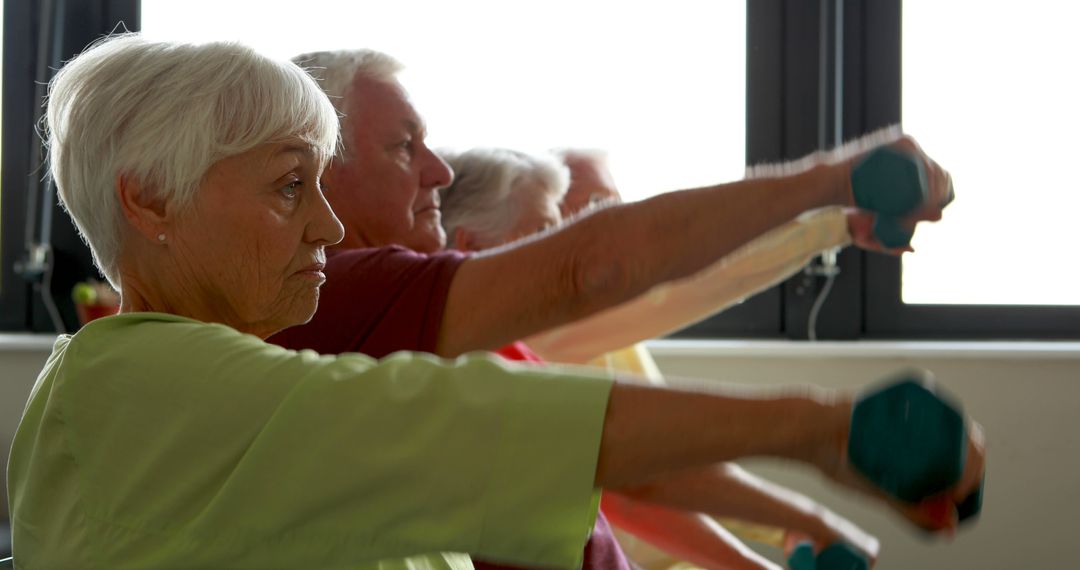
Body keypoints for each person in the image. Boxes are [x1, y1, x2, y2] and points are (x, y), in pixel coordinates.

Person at [6, 34, 985, 569]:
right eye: (285, 188)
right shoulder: (136, 382)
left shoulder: (261, 365)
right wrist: (821, 432)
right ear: (149, 200)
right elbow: (511, 380)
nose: (328, 230)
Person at [269, 49, 970, 569]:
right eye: (403, 147)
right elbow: (602, 269)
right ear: (321, 172)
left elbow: (626, 469)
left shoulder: (431, 326)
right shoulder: (341, 299)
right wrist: (837, 193)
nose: (439, 173)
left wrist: (809, 493)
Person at [438, 147, 885, 569]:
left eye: (612, 207)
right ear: (471, 246)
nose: (595, 229)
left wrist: (780, 532)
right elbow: (638, 485)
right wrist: (836, 220)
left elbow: (659, 470)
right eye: (547, 231)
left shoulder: (536, 348)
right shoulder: (482, 355)